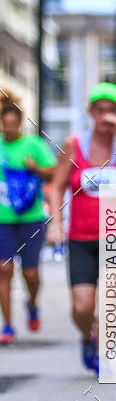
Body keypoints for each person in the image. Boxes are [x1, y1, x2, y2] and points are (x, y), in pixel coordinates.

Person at [47, 83, 116, 373]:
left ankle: (104, 344)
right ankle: (87, 334)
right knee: (82, 307)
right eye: (100, 109)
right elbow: (56, 186)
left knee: (110, 303)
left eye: (112, 109)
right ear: (90, 112)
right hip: (81, 236)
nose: (105, 115)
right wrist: (55, 224)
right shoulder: (74, 145)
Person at [0, 92, 56, 343]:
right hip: (3, 220)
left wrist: (36, 168)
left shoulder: (34, 145)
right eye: (5, 124)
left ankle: (32, 304)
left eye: (14, 124)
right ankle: (8, 326)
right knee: (4, 270)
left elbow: (53, 175)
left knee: (30, 274)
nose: (9, 129)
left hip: (31, 218)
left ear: (20, 122)